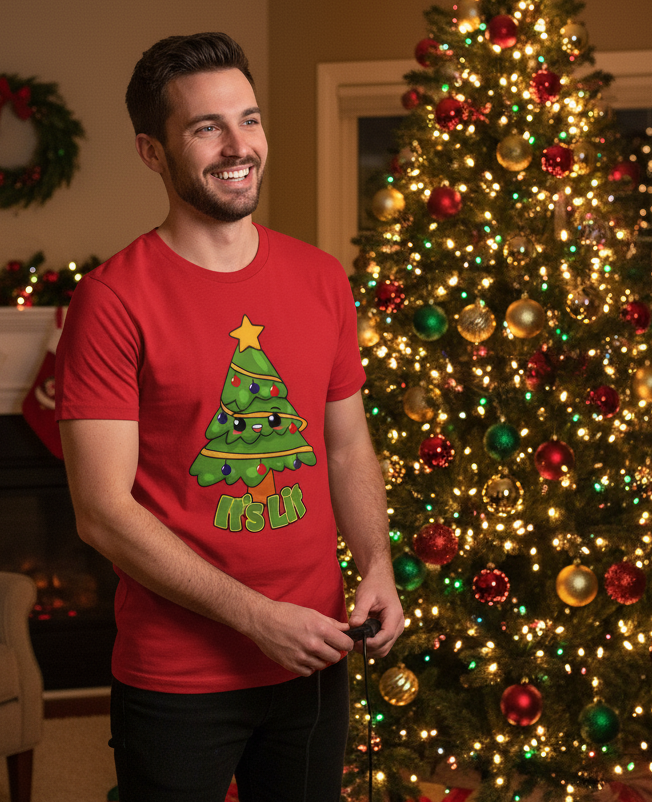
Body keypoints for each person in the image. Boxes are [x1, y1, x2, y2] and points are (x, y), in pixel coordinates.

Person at [55, 32, 404, 802]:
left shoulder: (319, 278)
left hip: (314, 655)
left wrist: (375, 563)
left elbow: (346, 449)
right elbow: (101, 512)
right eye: (206, 127)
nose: (238, 145)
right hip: (179, 675)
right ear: (153, 152)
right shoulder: (112, 301)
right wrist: (255, 617)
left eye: (248, 119)